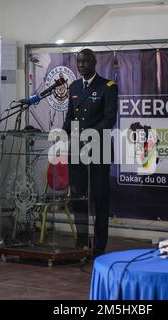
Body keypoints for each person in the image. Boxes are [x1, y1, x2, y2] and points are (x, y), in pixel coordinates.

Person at [62, 48, 118, 257]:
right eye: (79, 62)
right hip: (76, 150)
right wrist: (61, 133)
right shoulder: (74, 87)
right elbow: (70, 117)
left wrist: (89, 134)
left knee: (99, 197)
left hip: (98, 149)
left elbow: (109, 119)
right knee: (78, 197)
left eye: (86, 61)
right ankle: (81, 242)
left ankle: (99, 246)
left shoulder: (108, 87)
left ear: (94, 62)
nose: (82, 65)